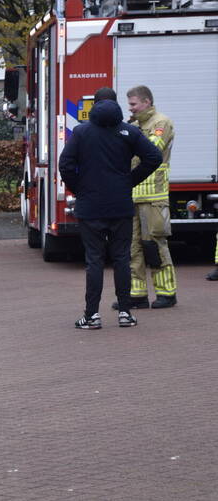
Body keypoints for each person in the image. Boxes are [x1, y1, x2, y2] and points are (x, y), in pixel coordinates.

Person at [59, 87, 162, 330]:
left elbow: (65, 165)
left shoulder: (82, 133)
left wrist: (80, 188)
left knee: (94, 260)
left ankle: (92, 315)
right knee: (121, 259)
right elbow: (154, 157)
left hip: (90, 207)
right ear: (116, 104)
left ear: (94, 105)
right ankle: (125, 312)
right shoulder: (129, 132)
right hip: (120, 206)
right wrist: (130, 180)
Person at [113, 85, 177, 309]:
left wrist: (128, 136)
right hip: (132, 197)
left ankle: (166, 293)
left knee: (155, 245)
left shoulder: (161, 123)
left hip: (154, 197)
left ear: (146, 102)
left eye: (133, 104)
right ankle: (136, 295)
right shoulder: (133, 126)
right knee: (133, 247)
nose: (130, 109)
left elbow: (151, 150)